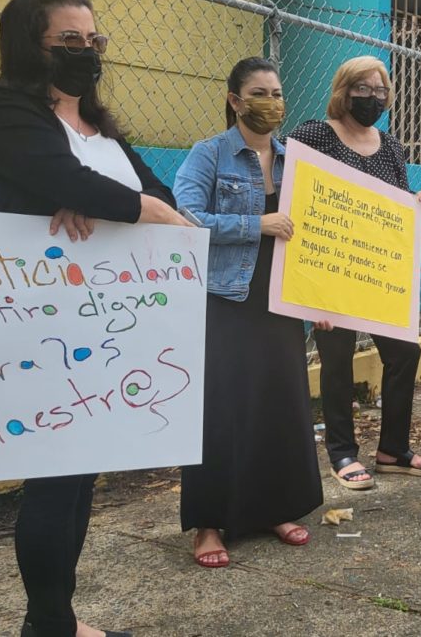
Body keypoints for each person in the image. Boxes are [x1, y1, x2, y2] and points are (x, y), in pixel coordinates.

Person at [0, 0, 191, 637]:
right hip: (40, 320)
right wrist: (112, 201)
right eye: (69, 41)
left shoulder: (96, 124)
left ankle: (60, 620)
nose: (86, 52)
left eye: (93, 41)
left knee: (81, 471)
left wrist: (103, 199)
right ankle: (47, 626)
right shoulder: (8, 115)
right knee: (54, 481)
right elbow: (98, 192)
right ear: (28, 46)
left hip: (106, 322)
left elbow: (156, 191)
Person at [174, 57, 322, 568]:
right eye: (259, 92)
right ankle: (209, 524)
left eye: (277, 92)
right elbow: (184, 215)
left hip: (282, 298)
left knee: (278, 402)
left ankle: (273, 509)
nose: (272, 102)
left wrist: (325, 297)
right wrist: (253, 223)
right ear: (235, 100)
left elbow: (322, 230)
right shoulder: (209, 153)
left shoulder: (295, 160)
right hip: (226, 295)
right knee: (220, 406)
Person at [287, 55, 421, 489]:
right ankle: (342, 454)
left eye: (380, 91)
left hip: (377, 274)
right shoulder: (315, 135)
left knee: (404, 352)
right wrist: (305, 285)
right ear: (343, 90)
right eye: (363, 89)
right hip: (330, 271)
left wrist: (417, 200)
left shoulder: (390, 145)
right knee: (336, 360)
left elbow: (390, 204)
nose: (373, 98)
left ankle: (393, 449)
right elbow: (294, 196)